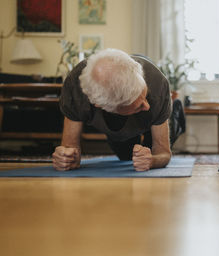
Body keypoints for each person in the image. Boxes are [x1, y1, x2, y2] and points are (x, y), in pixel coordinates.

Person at [52, 48, 183, 171]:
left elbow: (163, 154)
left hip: (154, 112)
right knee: (127, 157)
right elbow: (70, 150)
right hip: (119, 118)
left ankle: (175, 109)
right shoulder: (75, 90)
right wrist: (66, 158)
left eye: (143, 95)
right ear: (103, 106)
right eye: (138, 106)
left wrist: (152, 161)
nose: (146, 106)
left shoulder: (157, 86)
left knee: (149, 149)